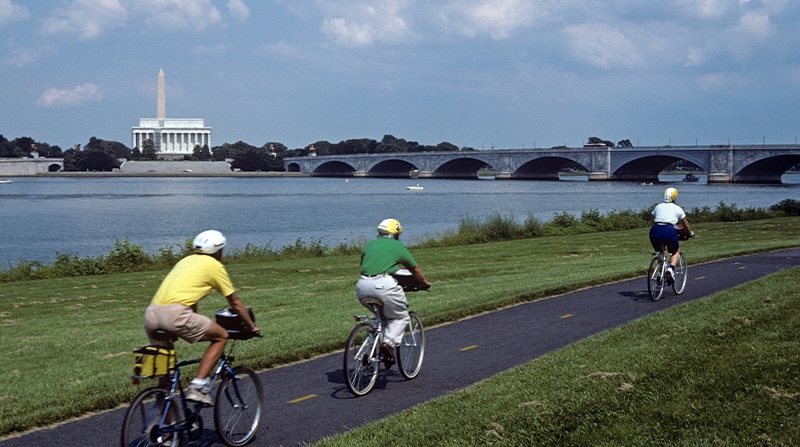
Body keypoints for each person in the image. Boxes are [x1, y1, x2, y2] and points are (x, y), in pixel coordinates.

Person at [144, 230, 259, 405]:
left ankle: (165, 429)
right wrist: (251, 326)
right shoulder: (214, 266)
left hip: (151, 315)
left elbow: (190, 298)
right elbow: (235, 302)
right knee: (221, 336)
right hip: (175, 315)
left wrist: (193, 319)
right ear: (218, 250)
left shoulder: (185, 261)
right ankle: (197, 387)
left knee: (165, 382)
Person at [356, 218, 431, 368]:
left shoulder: (370, 245)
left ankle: (372, 348)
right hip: (384, 285)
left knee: (381, 318)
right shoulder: (397, 246)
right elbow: (414, 269)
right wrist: (423, 283)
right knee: (401, 317)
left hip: (362, 286)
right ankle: (388, 344)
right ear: (396, 234)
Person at [649, 188, 694, 283]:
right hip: (669, 230)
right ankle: (670, 270)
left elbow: (656, 217)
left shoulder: (658, 206)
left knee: (662, 250)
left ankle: (659, 273)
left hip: (654, 230)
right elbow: (686, 224)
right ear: (674, 197)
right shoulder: (678, 208)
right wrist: (690, 233)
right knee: (676, 251)